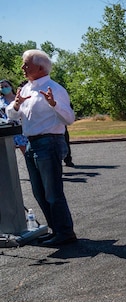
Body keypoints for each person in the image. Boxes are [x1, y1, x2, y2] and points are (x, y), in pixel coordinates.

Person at [4, 50, 77, 246]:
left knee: (52, 192)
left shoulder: (55, 89)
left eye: (26, 64)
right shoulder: (26, 88)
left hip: (49, 142)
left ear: (40, 67)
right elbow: (11, 115)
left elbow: (69, 118)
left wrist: (54, 104)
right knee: (39, 192)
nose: (22, 68)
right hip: (31, 143)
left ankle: (65, 232)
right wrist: (16, 105)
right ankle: (57, 231)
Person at [0, 79, 29, 155]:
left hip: (21, 127)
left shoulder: (18, 98)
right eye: (2, 87)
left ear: (11, 86)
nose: (4, 88)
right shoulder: (0, 101)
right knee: (9, 153)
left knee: (26, 151)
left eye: (6, 86)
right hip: (8, 128)